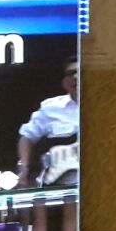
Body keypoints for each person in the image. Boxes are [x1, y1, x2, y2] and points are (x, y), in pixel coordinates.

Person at [17, 56, 80, 187]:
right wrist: (24, 167)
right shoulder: (51, 107)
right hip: (64, 185)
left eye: (80, 72)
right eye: (71, 73)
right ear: (64, 83)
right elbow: (27, 136)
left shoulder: (109, 104)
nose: (76, 77)